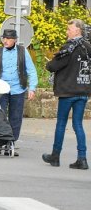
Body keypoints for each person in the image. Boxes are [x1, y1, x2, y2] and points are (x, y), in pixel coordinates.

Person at [43, 19, 90, 170]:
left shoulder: (70, 46)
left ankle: (55, 156)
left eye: (69, 29)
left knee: (61, 123)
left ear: (77, 31)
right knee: (78, 124)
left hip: (68, 91)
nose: (67, 32)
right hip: (83, 90)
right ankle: (82, 159)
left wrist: (49, 64)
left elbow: (55, 65)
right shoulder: (88, 46)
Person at [0, 29, 38, 155]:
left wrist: (32, 88)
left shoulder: (23, 52)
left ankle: (11, 142)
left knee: (16, 117)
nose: (5, 41)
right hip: (0, 89)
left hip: (18, 88)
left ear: (15, 40)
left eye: (8, 38)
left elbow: (31, 71)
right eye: (4, 38)